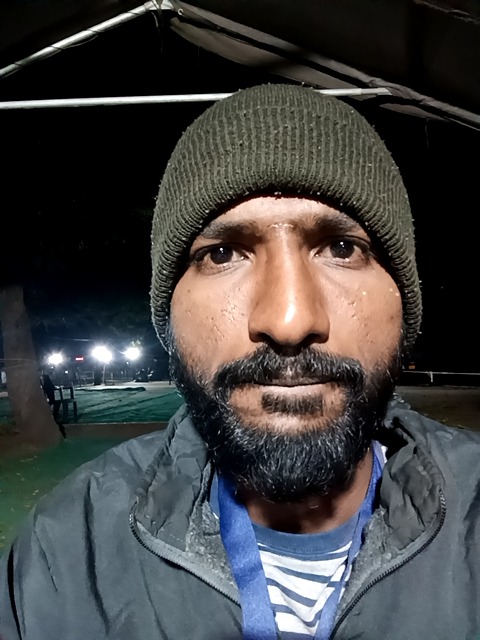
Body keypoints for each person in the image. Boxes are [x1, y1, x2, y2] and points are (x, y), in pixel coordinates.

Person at [1, 84, 479, 640]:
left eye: (342, 248)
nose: (289, 319)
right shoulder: (65, 554)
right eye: (223, 254)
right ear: (169, 315)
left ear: (404, 304)